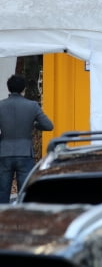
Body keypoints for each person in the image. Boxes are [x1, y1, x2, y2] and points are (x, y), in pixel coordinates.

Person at [0, 74, 54, 203]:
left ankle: (3, 220)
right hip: (25, 153)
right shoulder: (32, 105)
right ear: (23, 89)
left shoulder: (1, 105)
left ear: (9, 88)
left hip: (4, 152)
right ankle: (23, 219)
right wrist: (34, 124)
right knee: (25, 191)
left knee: (2, 190)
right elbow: (48, 125)